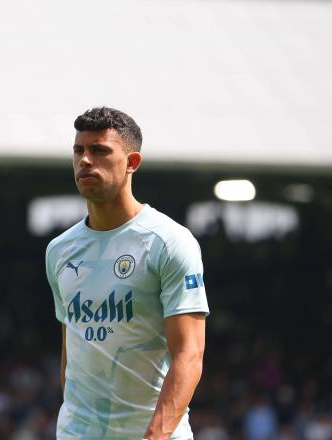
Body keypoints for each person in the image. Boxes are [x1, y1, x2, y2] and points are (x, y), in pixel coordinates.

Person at [45, 107, 209, 439]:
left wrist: (156, 436)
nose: (85, 160)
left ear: (132, 163)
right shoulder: (60, 250)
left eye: (100, 150)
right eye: (79, 151)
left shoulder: (169, 243)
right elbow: (71, 350)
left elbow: (189, 355)